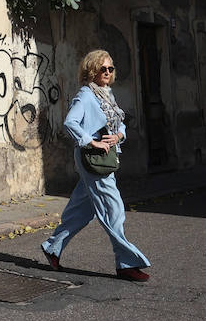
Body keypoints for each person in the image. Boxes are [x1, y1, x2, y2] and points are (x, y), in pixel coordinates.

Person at [40, 49, 152, 282]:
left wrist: (118, 137)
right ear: (92, 70)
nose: (108, 72)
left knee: (82, 210)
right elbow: (70, 122)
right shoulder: (86, 95)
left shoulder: (106, 94)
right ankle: (127, 264)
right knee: (114, 210)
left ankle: (53, 247)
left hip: (105, 157)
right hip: (93, 159)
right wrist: (91, 141)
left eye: (111, 69)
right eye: (103, 69)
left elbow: (119, 125)